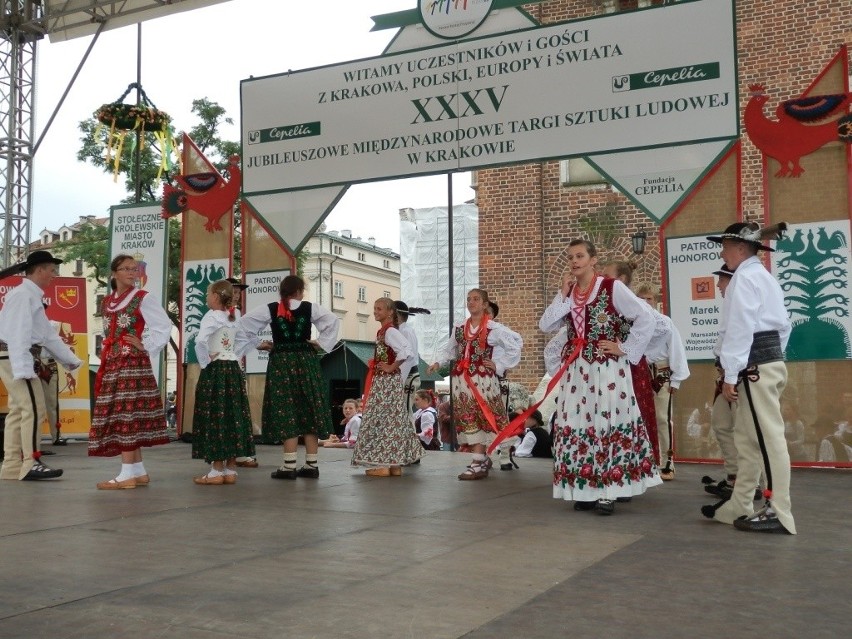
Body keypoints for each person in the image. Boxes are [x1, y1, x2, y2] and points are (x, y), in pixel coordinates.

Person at [541, 239, 660, 515]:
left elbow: (646, 317)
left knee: (607, 420)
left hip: (606, 368)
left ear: (593, 260)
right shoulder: (570, 294)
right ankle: (586, 489)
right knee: (578, 422)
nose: (574, 261)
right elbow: (545, 324)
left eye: (580, 256)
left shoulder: (611, 287)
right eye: (570, 257)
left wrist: (625, 348)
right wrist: (562, 294)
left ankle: (609, 491)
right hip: (577, 370)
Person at [701, 222, 795, 535]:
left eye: (725, 246)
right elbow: (784, 327)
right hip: (762, 364)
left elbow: (739, 331)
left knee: (767, 440)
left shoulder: (744, 279)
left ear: (741, 248)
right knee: (748, 440)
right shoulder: (762, 278)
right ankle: (740, 503)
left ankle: (778, 511)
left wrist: (732, 373)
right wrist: (772, 360)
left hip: (754, 368)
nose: (722, 251)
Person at [240, 275, 339, 480]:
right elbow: (333, 321)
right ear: (300, 291)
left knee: (287, 409)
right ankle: (311, 465)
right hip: (306, 362)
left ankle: (289, 466)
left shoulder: (271, 308)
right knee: (309, 408)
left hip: (282, 363)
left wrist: (261, 344)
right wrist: (319, 342)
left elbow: (243, 325)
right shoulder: (310, 307)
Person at [89, 254, 172, 489]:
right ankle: (137, 470)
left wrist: (145, 346)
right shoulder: (107, 302)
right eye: (126, 269)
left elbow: (163, 325)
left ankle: (126, 475)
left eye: (135, 269)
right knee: (123, 414)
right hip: (112, 361)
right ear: (114, 273)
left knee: (127, 413)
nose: (132, 273)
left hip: (131, 363)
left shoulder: (142, 298)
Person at [0, 250, 82, 481]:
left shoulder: (29, 295)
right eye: (51, 270)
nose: (54, 275)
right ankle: (31, 461)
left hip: (14, 356)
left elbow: (47, 335)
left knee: (18, 411)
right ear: (39, 270)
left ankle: (12, 465)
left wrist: (71, 360)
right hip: (16, 357)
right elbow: (18, 333)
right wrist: (24, 367)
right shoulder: (24, 295)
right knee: (34, 409)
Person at [427, 288, 522, 480]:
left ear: (485, 304)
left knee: (484, 417)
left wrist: (499, 365)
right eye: (469, 299)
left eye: (476, 299)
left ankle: (479, 461)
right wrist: (438, 361)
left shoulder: (494, 329)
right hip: (462, 380)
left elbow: (515, 344)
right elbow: (449, 348)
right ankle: (480, 459)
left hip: (483, 380)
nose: (471, 302)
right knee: (469, 418)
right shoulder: (460, 328)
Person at [599, 261, 664, 467]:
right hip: (607, 370)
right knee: (611, 416)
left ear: (621, 281)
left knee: (633, 416)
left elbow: (662, 330)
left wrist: (626, 349)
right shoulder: (604, 303)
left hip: (631, 368)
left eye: (606, 275)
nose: (601, 278)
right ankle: (614, 464)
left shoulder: (633, 306)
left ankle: (635, 466)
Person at [191, 280, 256, 485]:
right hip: (233, 370)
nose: (206, 297)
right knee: (233, 415)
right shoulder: (235, 316)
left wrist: (205, 361)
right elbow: (246, 339)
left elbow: (200, 341)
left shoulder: (211, 316)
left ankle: (216, 470)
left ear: (216, 296)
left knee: (215, 415)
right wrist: (234, 356)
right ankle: (230, 469)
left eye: (208, 294)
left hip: (216, 369)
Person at [351, 298, 422, 476]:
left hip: (385, 382)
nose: (375, 311)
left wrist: (391, 367)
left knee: (381, 420)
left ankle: (382, 464)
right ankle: (394, 465)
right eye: (374, 308)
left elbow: (406, 351)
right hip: (388, 381)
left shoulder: (389, 331)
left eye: (379, 309)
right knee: (393, 420)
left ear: (390, 312)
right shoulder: (385, 331)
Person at [633, 281, 690, 480]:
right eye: (641, 298)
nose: (645, 302)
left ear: (655, 301)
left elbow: (676, 349)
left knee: (663, 419)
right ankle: (644, 459)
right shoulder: (634, 324)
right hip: (639, 373)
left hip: (661, 374)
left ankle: (667, 461)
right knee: (640, 418)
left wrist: (677, 379)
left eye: (649, 298)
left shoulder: (664, 323)